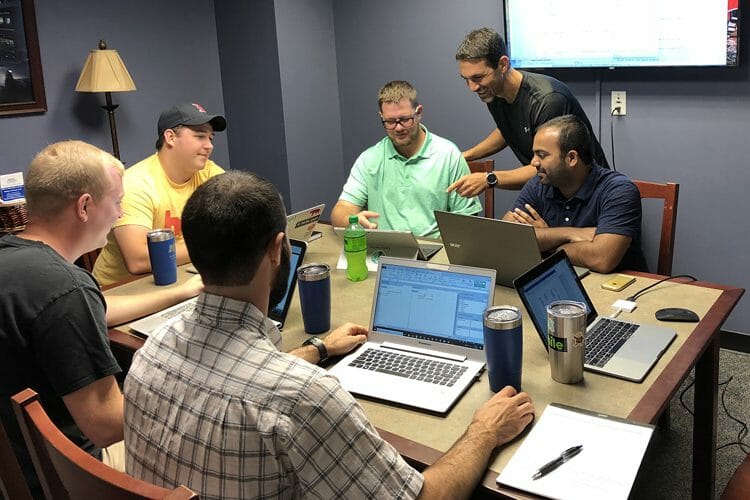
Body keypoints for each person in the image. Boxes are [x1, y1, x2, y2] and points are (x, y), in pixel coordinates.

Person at [124, 171, 535, 499]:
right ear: (277, 249)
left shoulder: (153, 348)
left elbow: (236, 374)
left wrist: (318, 349)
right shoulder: (305, 397)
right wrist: (485, 432)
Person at [0, 141, 202, 497]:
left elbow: (94, 308)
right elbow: (107, 425)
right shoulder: (66, 288)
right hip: (69, 473)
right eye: (117, 202)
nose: (121, 214)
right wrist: (195, 388)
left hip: (18, 461)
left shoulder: (16, 260)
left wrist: (180, 293)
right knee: (206, 440)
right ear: (84, 206)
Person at [448, 27, 609, 197]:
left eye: (478, 77)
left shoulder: (548, 100)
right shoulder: (494, 92)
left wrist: (489, 178)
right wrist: (465, 156)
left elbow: (548, 165)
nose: (472, 87)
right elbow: (508, 129)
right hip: (551, 190)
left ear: (503, 64)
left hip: (589, 195)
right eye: (466, 79)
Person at [93, 102, 227, 285]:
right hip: (121, 288)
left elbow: (238, 225)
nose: (209, 145)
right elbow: (138, 260)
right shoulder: (136, 184)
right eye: (200, 136)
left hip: (181, 275)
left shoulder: (210, 174)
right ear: (170, 137)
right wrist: (213, 246)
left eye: (211, 138)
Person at [331, 80, 481, 238]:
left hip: (433, 247)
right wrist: (353, 221)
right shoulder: (369, 159)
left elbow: (467, 219)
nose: (398, 128)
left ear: (419, 112)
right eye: (390, 122)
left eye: (404, 119)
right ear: (381, 117)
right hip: (383, 247)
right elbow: (340, 211)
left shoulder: (448, 155)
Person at [503, 115, 646, 273]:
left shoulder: (619, 190)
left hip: (614, 284)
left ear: (571, 158)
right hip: (557, 276)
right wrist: (569, 233)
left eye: (542, 155)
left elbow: (601, 259)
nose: (533, 162)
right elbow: (506, 237)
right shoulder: (539, 184)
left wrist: (547, 242)